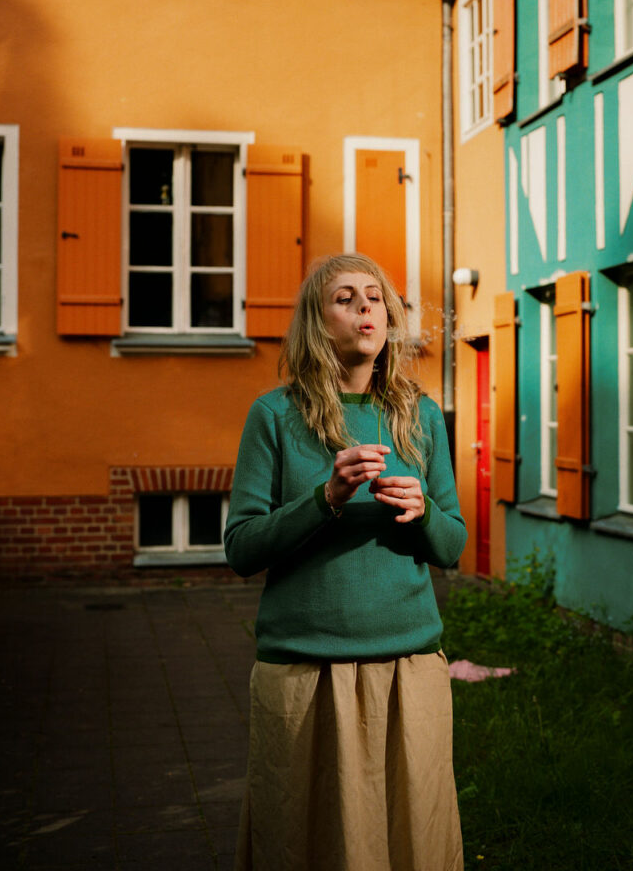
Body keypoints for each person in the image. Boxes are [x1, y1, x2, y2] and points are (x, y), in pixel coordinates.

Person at [225, 253, 467, 871]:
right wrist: (324, 500)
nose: (365, 307)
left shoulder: (423, 414)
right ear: (316, 321)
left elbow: (453, 546)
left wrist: (424, 514)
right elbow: (242, 548)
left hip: (408, 666)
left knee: (412, 845)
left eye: (376, 297)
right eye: (345, 297)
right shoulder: (274, 415)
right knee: (305, 847)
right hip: (305, 673)